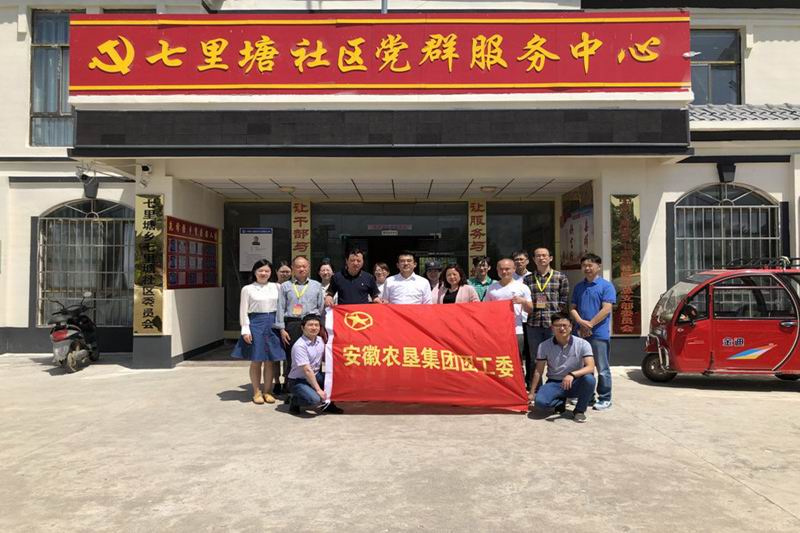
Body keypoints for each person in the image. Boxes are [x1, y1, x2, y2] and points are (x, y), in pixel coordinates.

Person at [231, 259, 285, 404]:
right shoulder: (248, 289)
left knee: (270, 361)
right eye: (260, 270)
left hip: (273, 323)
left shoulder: (277, 287)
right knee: (257, 360)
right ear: (254, 272)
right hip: (256, 324)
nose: (263, 273)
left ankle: (267, 391)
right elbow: (243, 311)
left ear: (271, 273)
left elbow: (281, 308)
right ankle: (256, 391)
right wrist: (245, 329)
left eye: (267, 271)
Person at [570, 253, 617, 411]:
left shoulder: (606, 286)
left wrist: (590, 324)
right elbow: (572, 308)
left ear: (598, 267)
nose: (587, 268)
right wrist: (580, 322)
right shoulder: (579, 286)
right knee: (583, 367)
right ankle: (587, 396)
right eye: (584, 265)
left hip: (598, 334)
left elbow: (607, 308)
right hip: (580, 333)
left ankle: (605, 398)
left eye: (590, 265)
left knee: (602, 368)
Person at [530, 312, 597, 423]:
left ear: (571, 327)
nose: (561, 328)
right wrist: (532, 393)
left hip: (574, 382)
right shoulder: (544, 346)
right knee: (540, 403)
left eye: (565, 325)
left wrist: (572, 375)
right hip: (554, 382)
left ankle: (579, 410)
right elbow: (538, 371)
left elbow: (590, 367)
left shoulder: (583, 344)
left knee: (589, 379)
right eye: (557, 325)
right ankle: (560, 401)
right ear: (552, 327)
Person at [521, 247, 570, 390]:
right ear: (533, 259)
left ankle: (556, 387)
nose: (541, 258)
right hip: (533, 324)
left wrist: (556, 319)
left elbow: (564, 301)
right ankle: (536, 389)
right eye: (538, 256)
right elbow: (525, 301)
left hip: (553, 325)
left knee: (557, 356)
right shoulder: (527, 279)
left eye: (544, 255)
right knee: (534, 358)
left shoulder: (560, 277)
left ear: (550, 258)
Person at [275, 255, 326, 392]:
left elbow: (321, 307)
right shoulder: (285, 286)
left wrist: (320, 326)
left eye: (304, 266)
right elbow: (280, 307)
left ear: (309, 268)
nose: (301, 269)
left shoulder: (316, 285)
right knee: (291, 357)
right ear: (293, 268)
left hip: (312, 324)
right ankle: (290, 388)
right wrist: (282, 329)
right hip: (292, 324)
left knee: (314, 356)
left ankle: (314, 386)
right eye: (298, 266)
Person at [287, 314, 344, 415]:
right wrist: (318, 390)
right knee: (314, 399)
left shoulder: (320, 340)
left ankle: (328, 405)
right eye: (310, 325)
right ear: (302, 328)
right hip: (298, 380)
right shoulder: (300, 346)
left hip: (316, 374)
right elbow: (307, 370)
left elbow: (325, 358)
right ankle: (295, 400)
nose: (314, 328)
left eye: (316, 325)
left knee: (335, 380)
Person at [485, 258, 532, 372]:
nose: (504, 272)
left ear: (514, 269)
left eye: (507, 269)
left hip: (516, 330)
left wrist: (523, 301)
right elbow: (486, 309)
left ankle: (518, 381)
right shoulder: (492, 288)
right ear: (497, 270)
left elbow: (530, 309)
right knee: (498, 359)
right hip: (497, 331)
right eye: (501, 269)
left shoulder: (522, 287)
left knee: (517, 359)